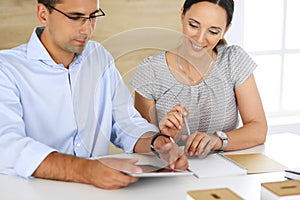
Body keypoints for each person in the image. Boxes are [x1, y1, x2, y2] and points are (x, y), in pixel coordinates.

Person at [0, 0, 188, 190]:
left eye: (92, 17)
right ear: (43, 14)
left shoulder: (99, 56)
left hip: (99, 192)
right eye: (75, 18)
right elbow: (6, 145)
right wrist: (85, 170)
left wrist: (157, 143)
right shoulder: (6, 68)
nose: (87, 30)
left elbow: (124, 122)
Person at [130, 0, 268, 158]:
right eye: (194, 25)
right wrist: (164, 137)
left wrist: (217, 141)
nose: (200, 39)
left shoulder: (233, 61)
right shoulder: (150, 71)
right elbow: (140, 142)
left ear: (226, 29)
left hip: (225, 171)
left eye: (213, 31)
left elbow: (258, 130)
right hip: (172, 173)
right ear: (182, 14)